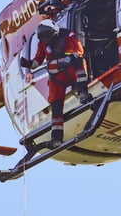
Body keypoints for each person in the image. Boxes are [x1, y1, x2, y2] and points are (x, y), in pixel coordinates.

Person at [20, 19, 90, 148]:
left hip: (70, 69)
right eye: (43, 37)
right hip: (58, 77)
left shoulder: (68, 36)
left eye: (47, 35)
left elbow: (78, 51)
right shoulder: (42, 44)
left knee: (79, 62)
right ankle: (56, 138)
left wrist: (69, 58)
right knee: (56, 106)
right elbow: (38, 60)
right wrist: (28, 64)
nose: (46, 39)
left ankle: (83, 93)